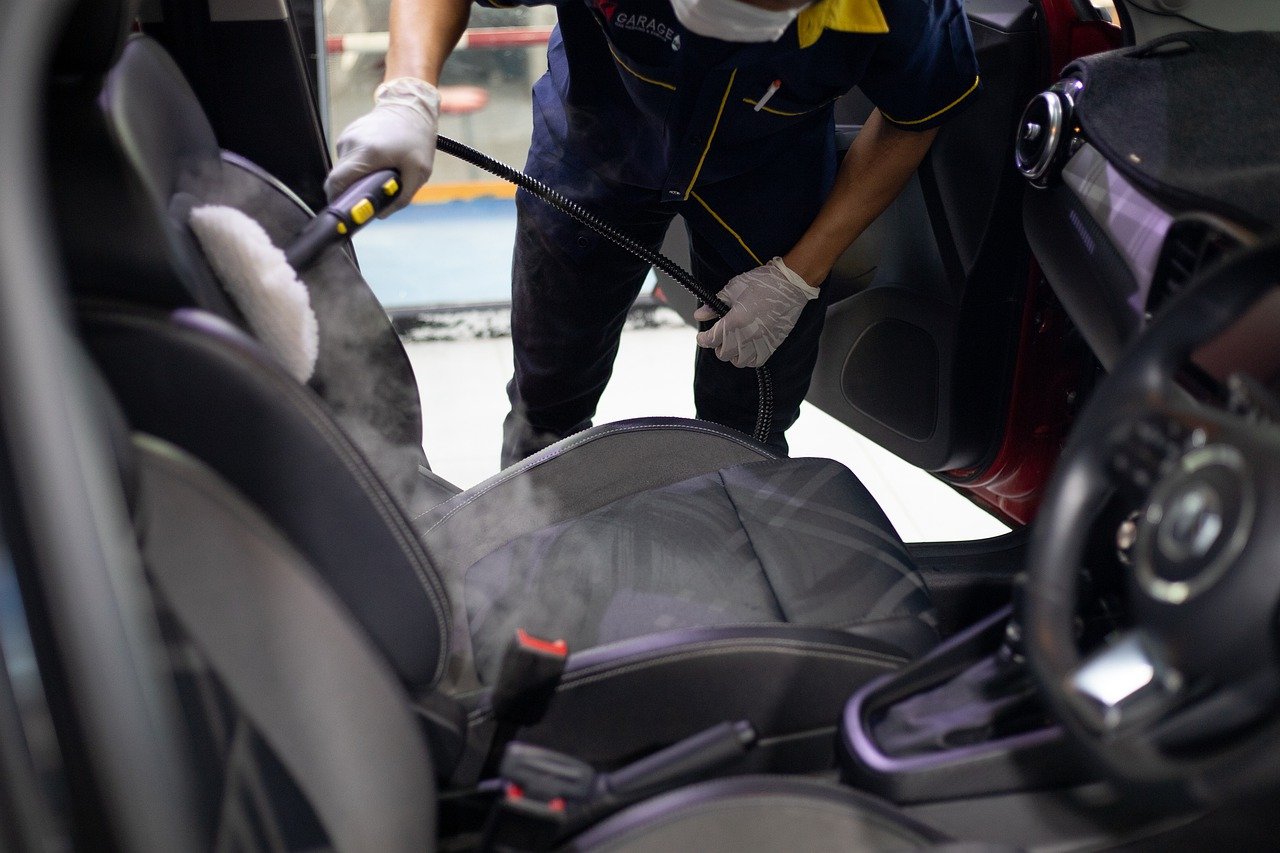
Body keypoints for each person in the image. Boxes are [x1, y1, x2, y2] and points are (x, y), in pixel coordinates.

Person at [326, 0, 980, 466]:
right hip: (595, 145)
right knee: (548, 395)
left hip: (767, 172)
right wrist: (408, 91)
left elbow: (917, 113)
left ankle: (733, 556)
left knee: (749, 422)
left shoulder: (904, 6)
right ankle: (532, 545)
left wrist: (797, 274)